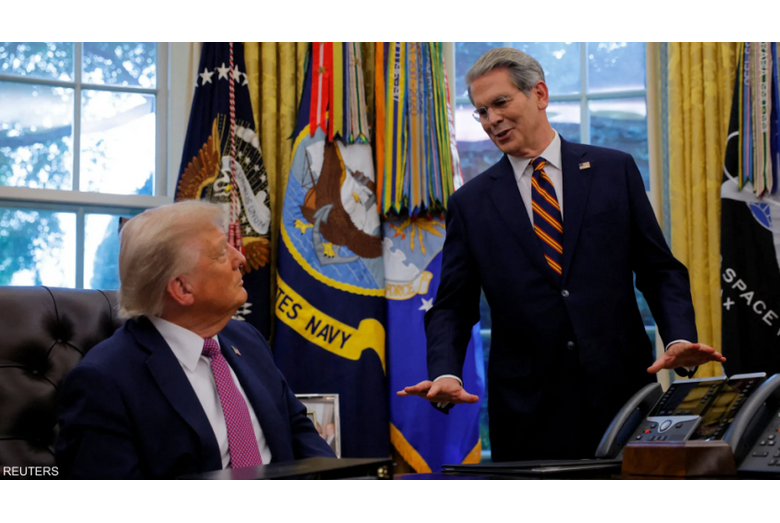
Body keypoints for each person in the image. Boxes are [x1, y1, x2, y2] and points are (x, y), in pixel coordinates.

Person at [398, 47, 725, 461]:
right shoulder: (470, 203)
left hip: (623, 401)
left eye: (500, 102)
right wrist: (446, 371)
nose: (491, 119)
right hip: (527, 413)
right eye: (481, 111)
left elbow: (659, 269)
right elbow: (452, 306)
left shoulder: (614, 170)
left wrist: (678, 337)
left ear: (539, 94)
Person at [56, 200, 334, 479]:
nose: (240, 258)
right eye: (221, 252)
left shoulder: (247, 339)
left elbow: (296, 428)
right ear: (182, 288)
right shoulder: (104, 382)